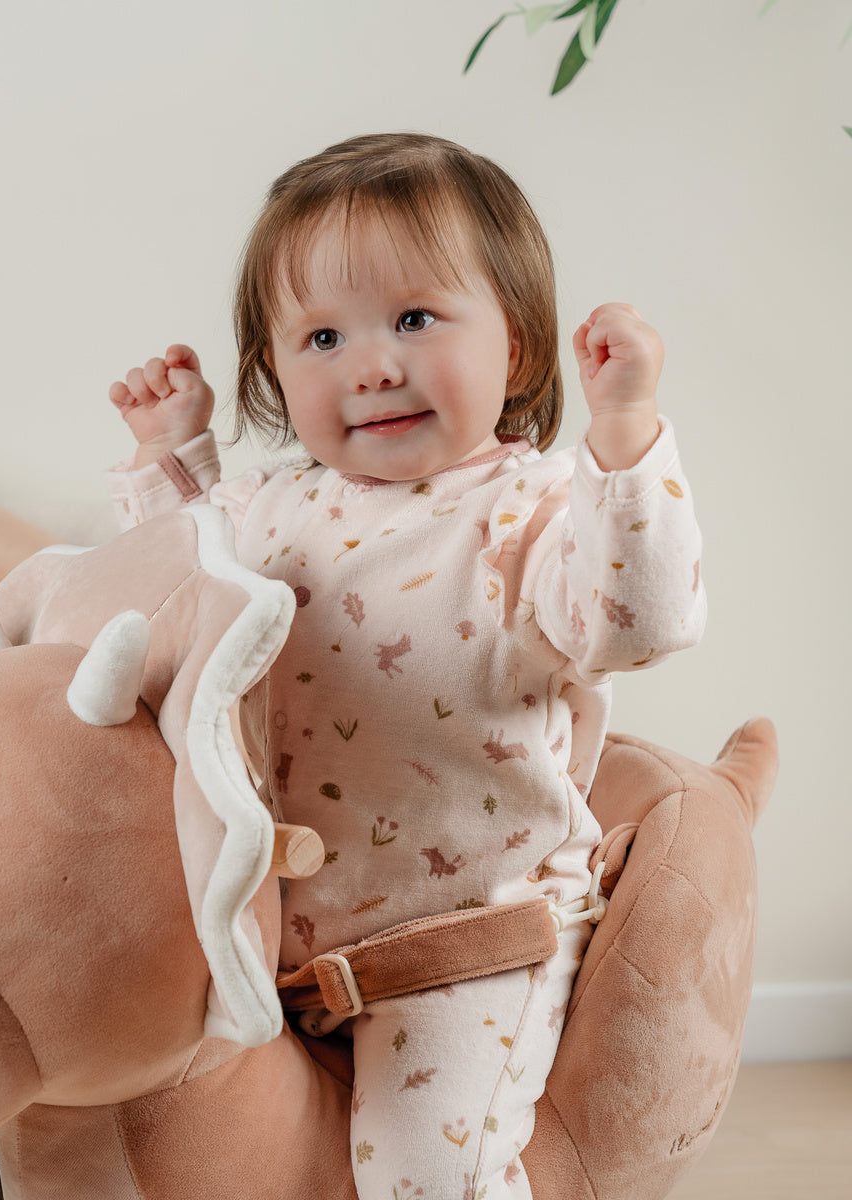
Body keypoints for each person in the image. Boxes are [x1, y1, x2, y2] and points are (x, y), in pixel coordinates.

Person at [106, 132, 706, 1199]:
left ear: (515, 348)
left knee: (430, 1174)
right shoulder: (270, 507)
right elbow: (176, 602)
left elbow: (636, 624)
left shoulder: (533, 513)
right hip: (272, 937)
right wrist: (174, 464)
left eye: (416, 320)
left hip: (465, 949)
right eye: (323, 335)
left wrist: (623, 437)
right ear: (274, 373)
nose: (373, 363)